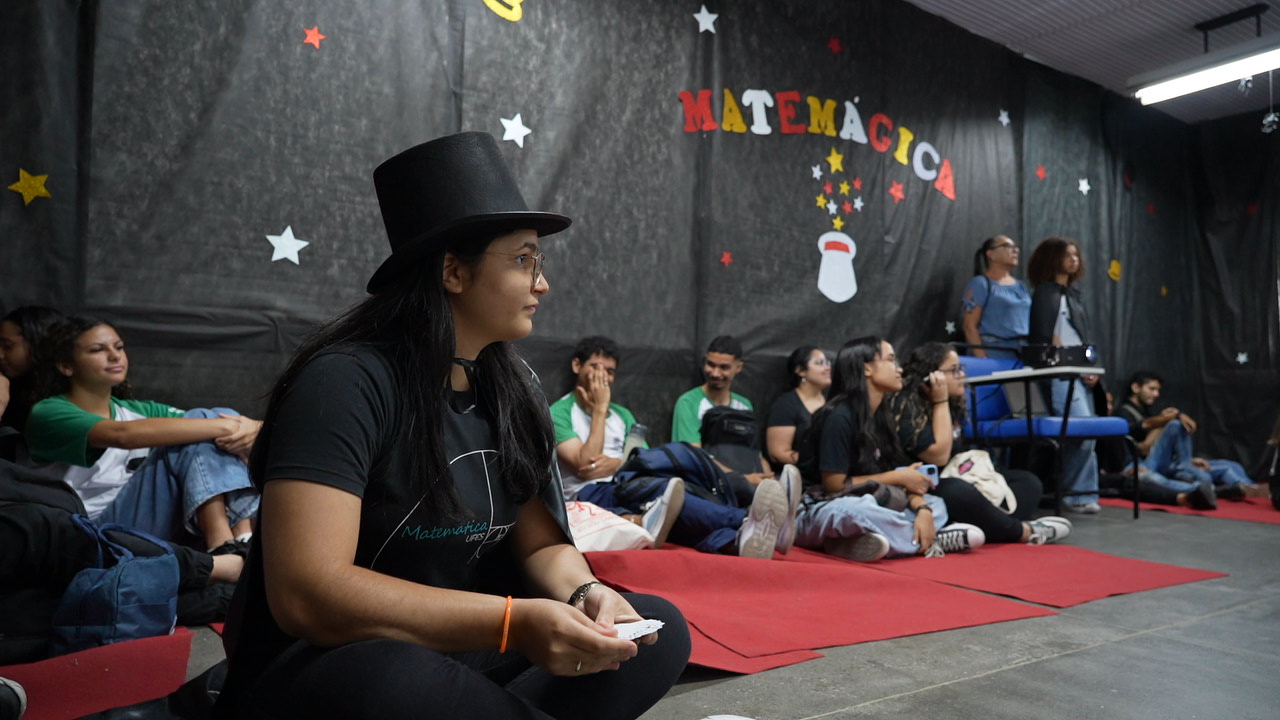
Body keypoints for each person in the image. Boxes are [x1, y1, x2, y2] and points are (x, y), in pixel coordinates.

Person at [213, 132, 689, 720]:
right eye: (522, 260)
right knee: (401, 678)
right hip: (336, 666)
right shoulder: (345, 382)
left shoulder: (511, 386)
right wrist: (513, 622)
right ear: (452, 272)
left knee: (654, 632)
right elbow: (308, 594)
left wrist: (588, 595)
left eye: (538, 262)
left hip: (464, 652)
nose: (542, 283)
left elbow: (538, 541)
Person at [24, 317, 260, 551]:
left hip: (147, 525)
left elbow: (206, 422)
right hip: (93, 534)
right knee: (211, 425)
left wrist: (253, 427)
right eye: (97, 350)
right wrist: (230, 426)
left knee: (212, 421)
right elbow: (122, 435)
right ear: (66, 366)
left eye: (119, 347)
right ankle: (225, 544)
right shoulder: (48, 413)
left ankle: (237, 540)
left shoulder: (137, 410)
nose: (115, 356)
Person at [794, 336, 985, 562]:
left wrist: (922, 508)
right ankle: (928, 539)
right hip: (821, 507)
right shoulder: (839, 416)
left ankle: (866, 541)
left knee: (937, 504)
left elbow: (899, 480)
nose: (899, 369)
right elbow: (834, 486)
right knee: (855, 511)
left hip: (874, 497)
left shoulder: (881, 417)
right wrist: (897, 477)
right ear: (866, 368)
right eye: (891, 361)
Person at [887, 342, 1072, 544]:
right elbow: (938, 456)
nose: (961, 376)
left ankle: (985, 527)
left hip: (958, 474)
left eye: (961, 369)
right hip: (927, 486)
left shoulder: (954, 402)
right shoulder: (907, 407)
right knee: (957, 491)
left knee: (1028, 483)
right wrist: (940, 402)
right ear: (931, 376)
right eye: (953, 370)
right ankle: (1023, 531)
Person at [1027, 237, 1101, 513]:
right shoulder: (1046, 294)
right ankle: (1075, 494)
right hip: (1060, 373)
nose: (1074, 259)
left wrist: (1090, 367)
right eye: (1067, 255)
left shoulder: (1073, 294)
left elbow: (1082, 335)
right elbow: (1047, 336)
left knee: (1086, 432)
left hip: (1078, 371)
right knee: (1080, 430)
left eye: (1076, 254)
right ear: (1053, 258)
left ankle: (1081, 492)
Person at [1116, 371, 1257, 499]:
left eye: (1158, 390)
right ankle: (1209, 489)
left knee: (1228, 466)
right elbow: (1143, 446)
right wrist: (1169, 419)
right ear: (1136, 388)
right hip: (1141, 466)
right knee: (1175, 427)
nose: (1156, 394)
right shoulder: (1123, 414)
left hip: (1166, 462)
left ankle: (1247, 487)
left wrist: (1189, 458)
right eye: (1152, 389)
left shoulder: (1147, 411)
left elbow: (1159, 444)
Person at [670, 335, 755, 445]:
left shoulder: (745, 406)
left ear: (738, 367)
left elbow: (753, 453)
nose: (715, 373)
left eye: (724, 367)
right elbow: (692, 453)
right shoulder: (688, 403)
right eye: (711, 365)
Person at [961, 236, 1031, 359]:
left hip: (1023, 353)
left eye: (1016, 247)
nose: (1015, 251)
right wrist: (983, 359)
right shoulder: (980, 283)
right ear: (991, 254)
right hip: (995, 351)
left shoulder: (1021, 285)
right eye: (1008, 246)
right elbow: (969, 326)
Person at [0, 306, 64, 433]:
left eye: (7, 346)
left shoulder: (66, 397)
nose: (0, 354)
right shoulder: (11, 385)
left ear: (39, 344)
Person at [765, 346, 830, 469]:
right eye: (820, 363)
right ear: (801, 371)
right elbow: (778, 453)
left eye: (828, 363)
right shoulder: (786, 405)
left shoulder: (831, 403)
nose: (827, 368)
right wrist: (821, 462)